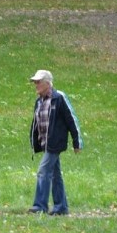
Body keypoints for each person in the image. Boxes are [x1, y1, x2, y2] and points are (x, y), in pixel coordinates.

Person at [28, 70, 82, 216]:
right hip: (45, 144)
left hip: (55, 143)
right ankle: (61, 207)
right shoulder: (39, 101)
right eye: (35, 82)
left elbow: (71, 120)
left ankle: (40, 206)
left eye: (38, 82)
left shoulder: (59, 98)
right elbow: (36, 122)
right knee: (55, 175)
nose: (36, 85)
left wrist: (77, 142)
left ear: (47, 83)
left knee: (43, 171)